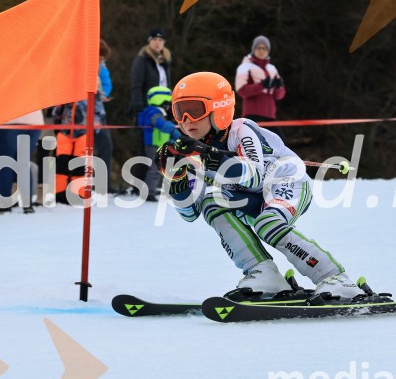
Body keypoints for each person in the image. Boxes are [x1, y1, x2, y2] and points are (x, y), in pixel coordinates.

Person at [156, 71, 379, 303]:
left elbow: (254, 176)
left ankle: (336, 278)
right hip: (251, 197)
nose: (187, 120)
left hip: (286, 181)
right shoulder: (193, 154)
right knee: (211, 203)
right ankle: (263, 273)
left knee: (268, 224)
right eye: (180, 112)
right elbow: (190, 213)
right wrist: (177, 179)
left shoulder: (242, 130)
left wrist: (217, 159)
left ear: (219, 109)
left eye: (195, 109)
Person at [51, 93, 105, 205]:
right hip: (64, 133)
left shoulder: (93, 94)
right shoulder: (66, 91)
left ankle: (79, 194)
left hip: (84, 133)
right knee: (61, 164)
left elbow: (99, 114)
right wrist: (57, 127)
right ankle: (59, 193)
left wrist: (93, 131)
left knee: (80, 165)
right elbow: (57, 111)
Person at [0, 110, 43, 213]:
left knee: (5, 162)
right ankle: (27, 204)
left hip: (7, 119)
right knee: (23, 162)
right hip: (34, 120)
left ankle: (5, 202)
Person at [234, 35, 286, 139]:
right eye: (259, 48)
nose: (261, 51)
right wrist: (261, 86)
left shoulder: (272, 68)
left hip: (270, 116)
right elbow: (242, 91)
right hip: (252, 116)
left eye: (264, 48)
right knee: (254, 144)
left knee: (281, 143)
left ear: (268, 50)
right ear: (253, 49)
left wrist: (279, 87)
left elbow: (279, 96)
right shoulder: (245, 66)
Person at [136, 86, 181, 202]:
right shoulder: (152, 112)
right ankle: (148, 192)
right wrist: (173, 131)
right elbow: (159, 123)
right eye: (167, 103)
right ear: (161, 100)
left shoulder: (155, 111)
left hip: (159, 143)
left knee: (160, 167)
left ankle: (151, 188)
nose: (168, 106)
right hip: (153, 144)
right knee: (155, 168)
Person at [128, 28, 171, 116]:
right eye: (154, 39)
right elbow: (136, 85)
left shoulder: (165, 62)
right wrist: (138, 108)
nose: (157, 42)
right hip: (147, 108)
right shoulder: (142, 60)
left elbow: (167, 85)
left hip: (164, 108)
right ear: (149, 41)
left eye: (160, 40)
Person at [95, 39, 117, 192]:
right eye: (99, 56)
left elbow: (107, 84)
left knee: (106, 146)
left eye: (102, 58)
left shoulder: (102, 67)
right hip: (79, 112)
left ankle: (104, 185)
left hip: (98, 112)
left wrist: (102, 94)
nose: (101, 60)